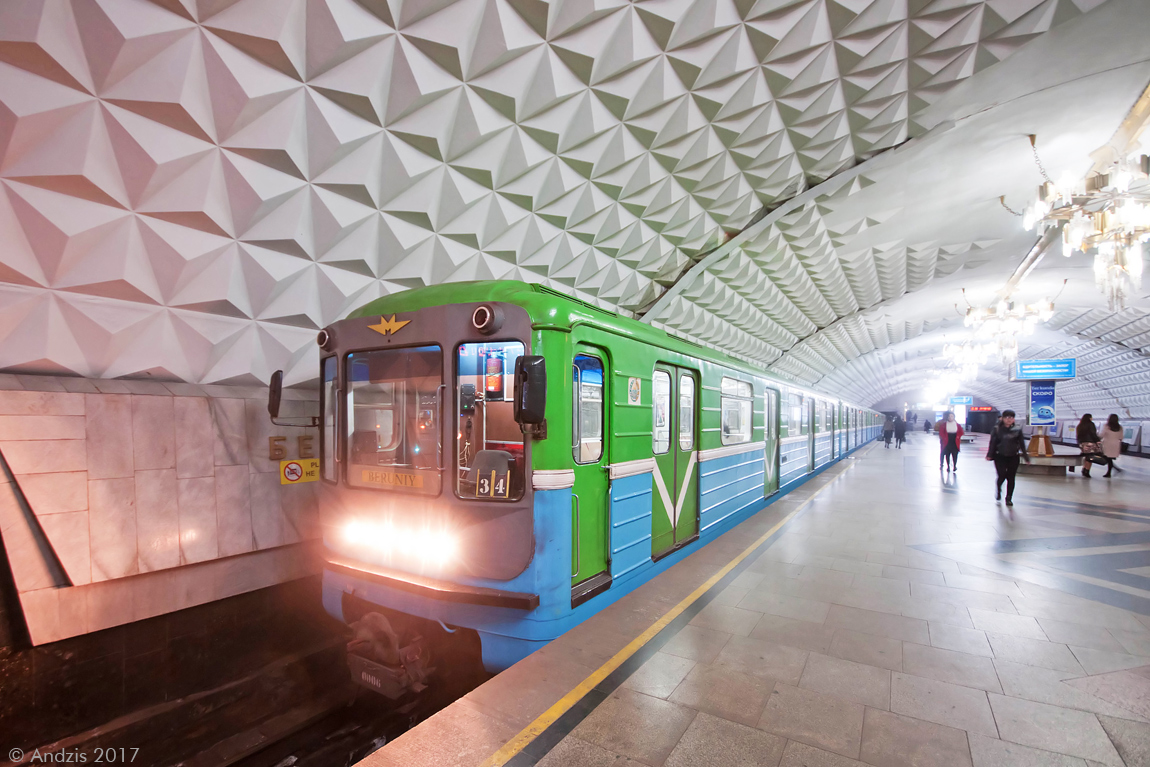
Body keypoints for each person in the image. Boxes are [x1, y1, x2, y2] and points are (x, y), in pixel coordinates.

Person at [986, 410, 1030, 506]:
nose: (1009, 419)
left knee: (1011, 477)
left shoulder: (1017, 429)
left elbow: (1022, 444)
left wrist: (1026, 457)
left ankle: (1009, 497)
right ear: (1003, 418)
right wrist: (989, 454)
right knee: (1001, 475)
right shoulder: (997, 429)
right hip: (1000, 456)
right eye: (1007, 417)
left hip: (1013, 456)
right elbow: (993, 442)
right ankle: (998, 489)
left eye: (1011, 417)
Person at [1100, 414, 1125, 478]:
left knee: (1107, 458)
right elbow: (1121, 437)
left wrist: (1097, 437)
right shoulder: (1120, 427)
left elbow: (1102, 434)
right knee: (1109, 458)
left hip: (1107, 444)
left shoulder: (1107, 426)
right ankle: (1113, 470)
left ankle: (1109, 472)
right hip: (1116, 444)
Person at [1076, 413, 1100, 478]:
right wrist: (1097, 440)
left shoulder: (1080, 425)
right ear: (1089, 418)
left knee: (1086, 456)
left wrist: (1079, 443)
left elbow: (1078, 436)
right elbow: (1093, 433)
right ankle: (1087, 470)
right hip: (1090, 443)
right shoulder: (1091, 424)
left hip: (1082, 443)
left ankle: (1084, 469)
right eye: (1091, 417)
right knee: (1090, 457)